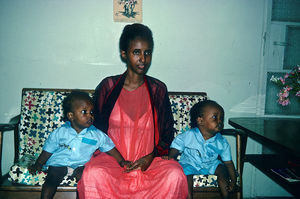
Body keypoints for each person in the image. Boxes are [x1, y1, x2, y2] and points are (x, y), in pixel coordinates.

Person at [77, 23, 188, 199]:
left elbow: (167, 133)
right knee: (93, 173)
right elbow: (95, 129)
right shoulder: (108, 86)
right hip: (112, 159)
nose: (143, 59)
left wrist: (150, 158)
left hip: (150, 161)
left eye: (147, 52)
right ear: (124, 54)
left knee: (174, 174)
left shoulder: (158, 89)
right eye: (136, 52)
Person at [29, 90, 130, 199]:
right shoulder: (60, 132)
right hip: (59, 164)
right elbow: (47, 150)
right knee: (52, 177)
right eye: (84, 112)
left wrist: (121, 161)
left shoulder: (96, 134)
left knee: (85, 179)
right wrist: (38, 163)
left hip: (81, 165)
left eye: (91, 112)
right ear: (71, 116)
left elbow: (110, 148)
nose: (90, 116)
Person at [167, 100, 237, 199]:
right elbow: (177, 145)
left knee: (222, 169)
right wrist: (172, 157)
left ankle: (226, 196)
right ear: (200, 121)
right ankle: (189, 197)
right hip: (190, 162)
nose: (219, 121)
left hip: (210, 164)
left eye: (221, 118)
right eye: (214, 117)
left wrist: (233, 180)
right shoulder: (189, 135)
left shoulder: (222, 141)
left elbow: (228, 162)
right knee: (186, 173)